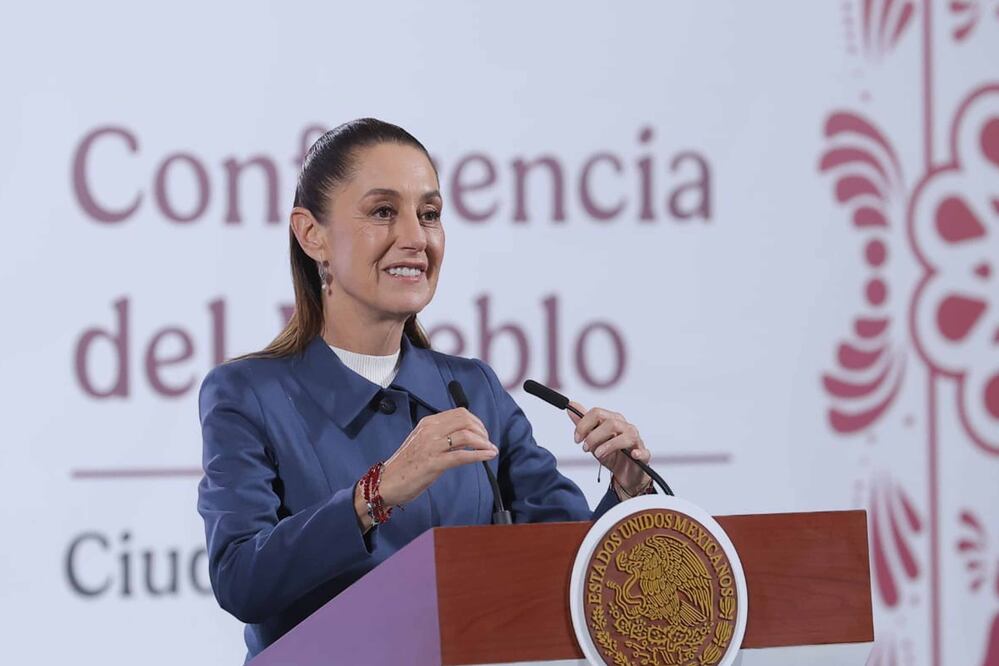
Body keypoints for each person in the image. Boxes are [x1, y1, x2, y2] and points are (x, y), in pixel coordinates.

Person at [196, 118, 654, 662]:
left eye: (430, 214)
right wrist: (378, 491)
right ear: (311, 234)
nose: (415, 238)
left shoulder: (471, 387)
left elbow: (565, 563)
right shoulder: (248, 394)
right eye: (383, 211)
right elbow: (241, 579)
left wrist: (626, 494)